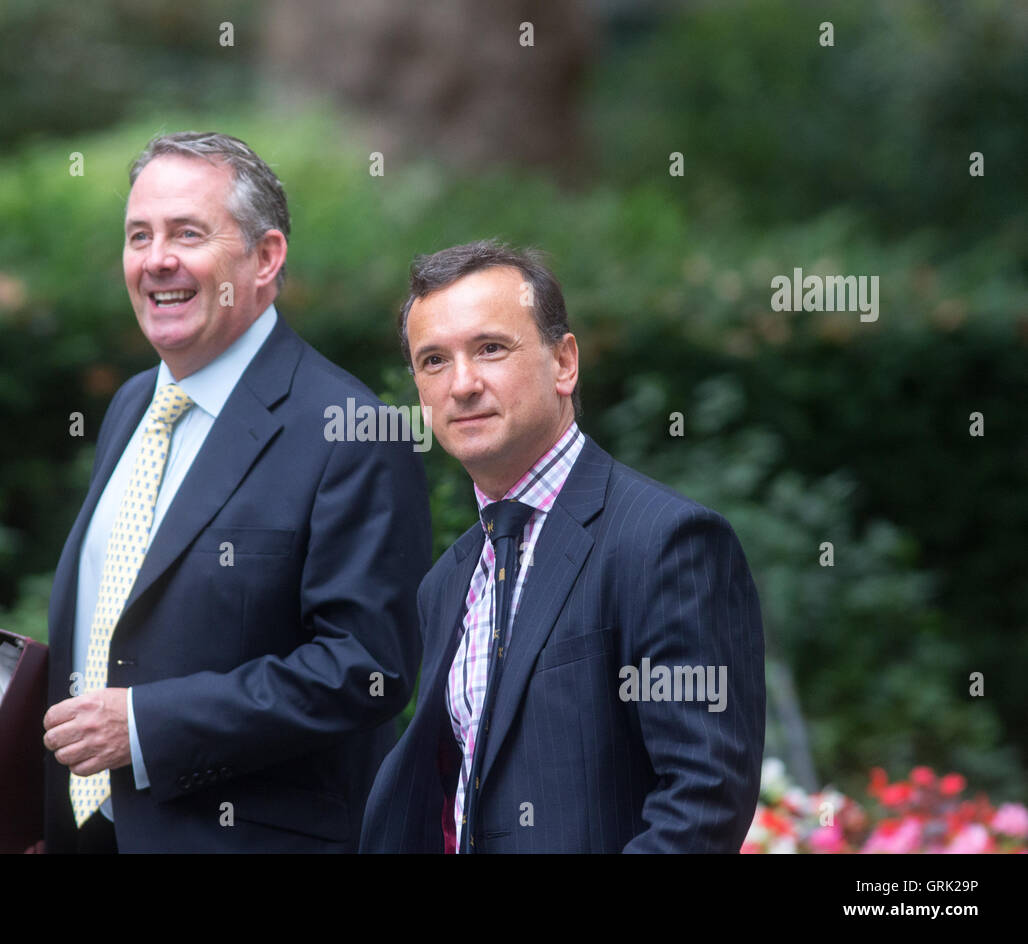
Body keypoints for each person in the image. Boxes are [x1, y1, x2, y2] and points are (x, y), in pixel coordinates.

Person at [41, 131, 430, 853]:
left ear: (266, 257)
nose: (157, 259)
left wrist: (146, 726)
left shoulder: (354, 432)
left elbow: (367, 669)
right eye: (139, 236)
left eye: (188, 233)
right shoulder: (132, 406)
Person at [360, 240, 765, 853]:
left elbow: (703, 799)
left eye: (490, 348)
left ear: (564, 363)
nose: (462, 384)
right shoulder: (447, 581)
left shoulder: (666, 543)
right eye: (434, 360)